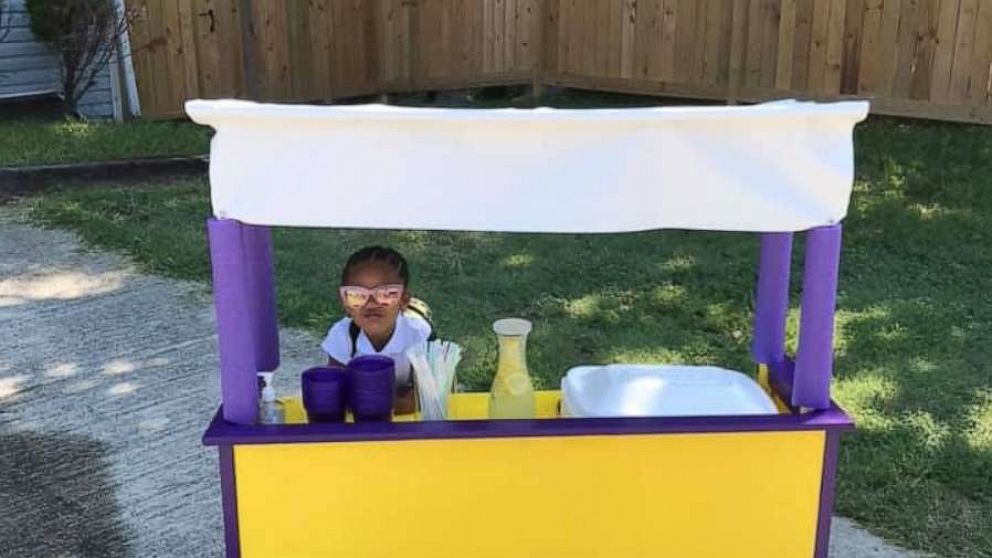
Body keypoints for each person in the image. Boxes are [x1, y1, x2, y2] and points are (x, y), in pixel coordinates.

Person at [322, 246, 432, 414]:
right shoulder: (342, 335)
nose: (372, 303)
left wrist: (368, 402)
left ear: (404, 300)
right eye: (357, 295)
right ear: (345, 303)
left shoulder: (418, 335)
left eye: (387, 294)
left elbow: (425, 396)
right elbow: (336, 397)